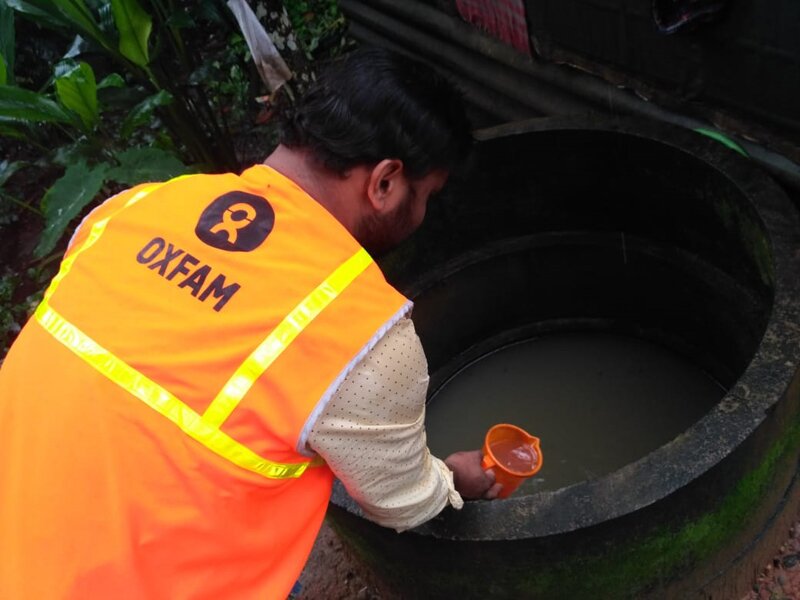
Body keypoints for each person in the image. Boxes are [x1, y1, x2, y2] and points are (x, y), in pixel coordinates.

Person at [0, 47, 500, 600]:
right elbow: (402, 501)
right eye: (425, 197)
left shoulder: (126, 211)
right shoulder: (360, 334)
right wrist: (453, 481)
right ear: (384, 183)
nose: (424, 214)